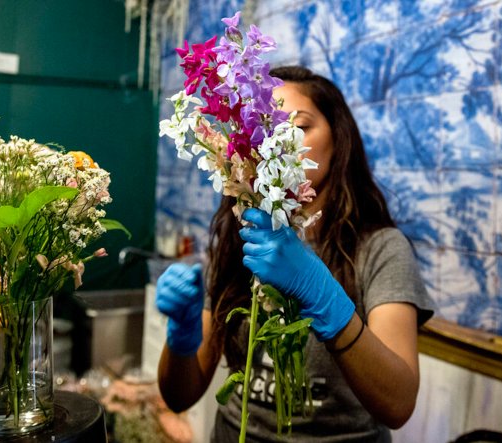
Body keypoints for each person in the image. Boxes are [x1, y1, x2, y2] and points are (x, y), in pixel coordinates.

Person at [156, 65, 435, 442]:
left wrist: (326, 300)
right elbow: (179, 396)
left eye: (300, 126)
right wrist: (181, 338)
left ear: (339, 141)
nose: (281, 139)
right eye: (267, 128)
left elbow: (398, 404)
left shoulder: (380, 249)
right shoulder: (243, 241)